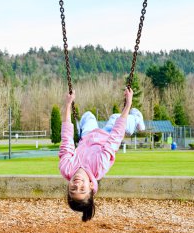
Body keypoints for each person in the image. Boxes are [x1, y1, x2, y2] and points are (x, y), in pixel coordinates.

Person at [58, 88, 145, 222]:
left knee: (87, 116)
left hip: (87, 135)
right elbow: (115, 137)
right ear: (91, 186)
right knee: (116, 118)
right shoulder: (98, 167)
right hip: (107, 136)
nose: (77, 185)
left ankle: (84, 125)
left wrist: (68, 104)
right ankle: (137, 120)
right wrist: (128, 104)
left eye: (73, 189)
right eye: (82, 189)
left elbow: (66, 137)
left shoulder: (66, 168)